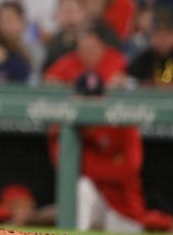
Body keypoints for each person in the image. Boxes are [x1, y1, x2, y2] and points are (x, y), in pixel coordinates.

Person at [49, 72, 146, 232]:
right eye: (85, 97)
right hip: (93, 202)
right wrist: (111, 163)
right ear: (75, 99)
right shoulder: (62, 127)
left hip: (123, 205)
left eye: (95, 97)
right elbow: (67, 169)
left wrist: (86, 163)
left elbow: (130, 169)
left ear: (104, 99)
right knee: (82, 187)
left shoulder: (123, 123)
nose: (91, 103)